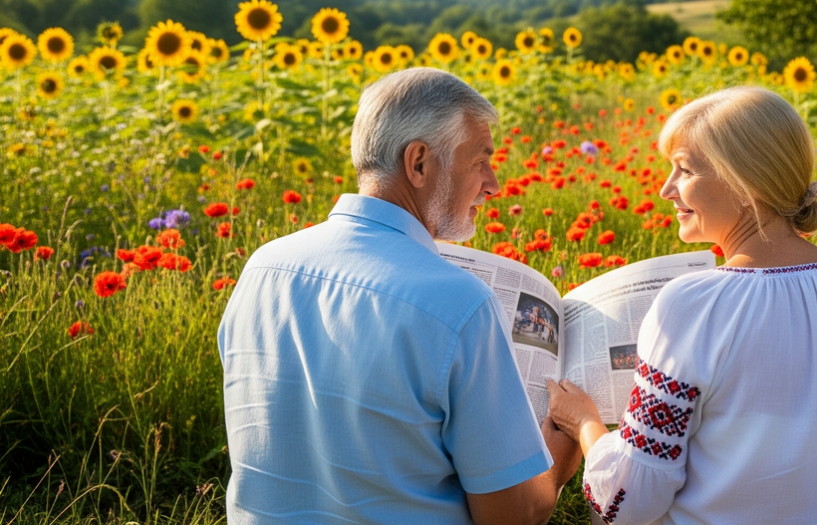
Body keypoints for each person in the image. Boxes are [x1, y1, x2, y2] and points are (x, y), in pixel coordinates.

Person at [219, 67, 581, 525]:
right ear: (419, 163)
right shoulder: (459, 303)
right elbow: (511, 517)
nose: (493, 184)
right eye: (479, 162)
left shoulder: (263, 267)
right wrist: (560, 458)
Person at [547, 87, 817, 525]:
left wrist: (584, 423)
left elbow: (630, 501)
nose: (666, 189)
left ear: (746, 184)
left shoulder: (695, 304)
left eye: (685, 170)